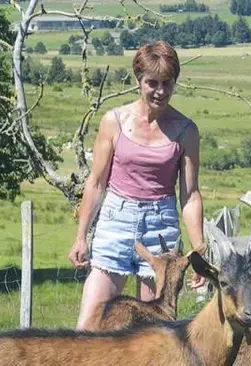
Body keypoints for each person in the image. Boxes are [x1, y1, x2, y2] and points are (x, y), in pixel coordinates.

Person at [68, 41, 206, 330]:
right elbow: (95, 183)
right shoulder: (114, 121)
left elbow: (190, 195)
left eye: (167, 83)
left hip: (161, 229)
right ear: (138, 81)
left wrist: (198, 250)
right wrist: (81, 236)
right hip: (115, 221)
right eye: (152, 83)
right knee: (88, 328)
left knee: (155, 332)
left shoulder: (186, 130)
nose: (160, 91)